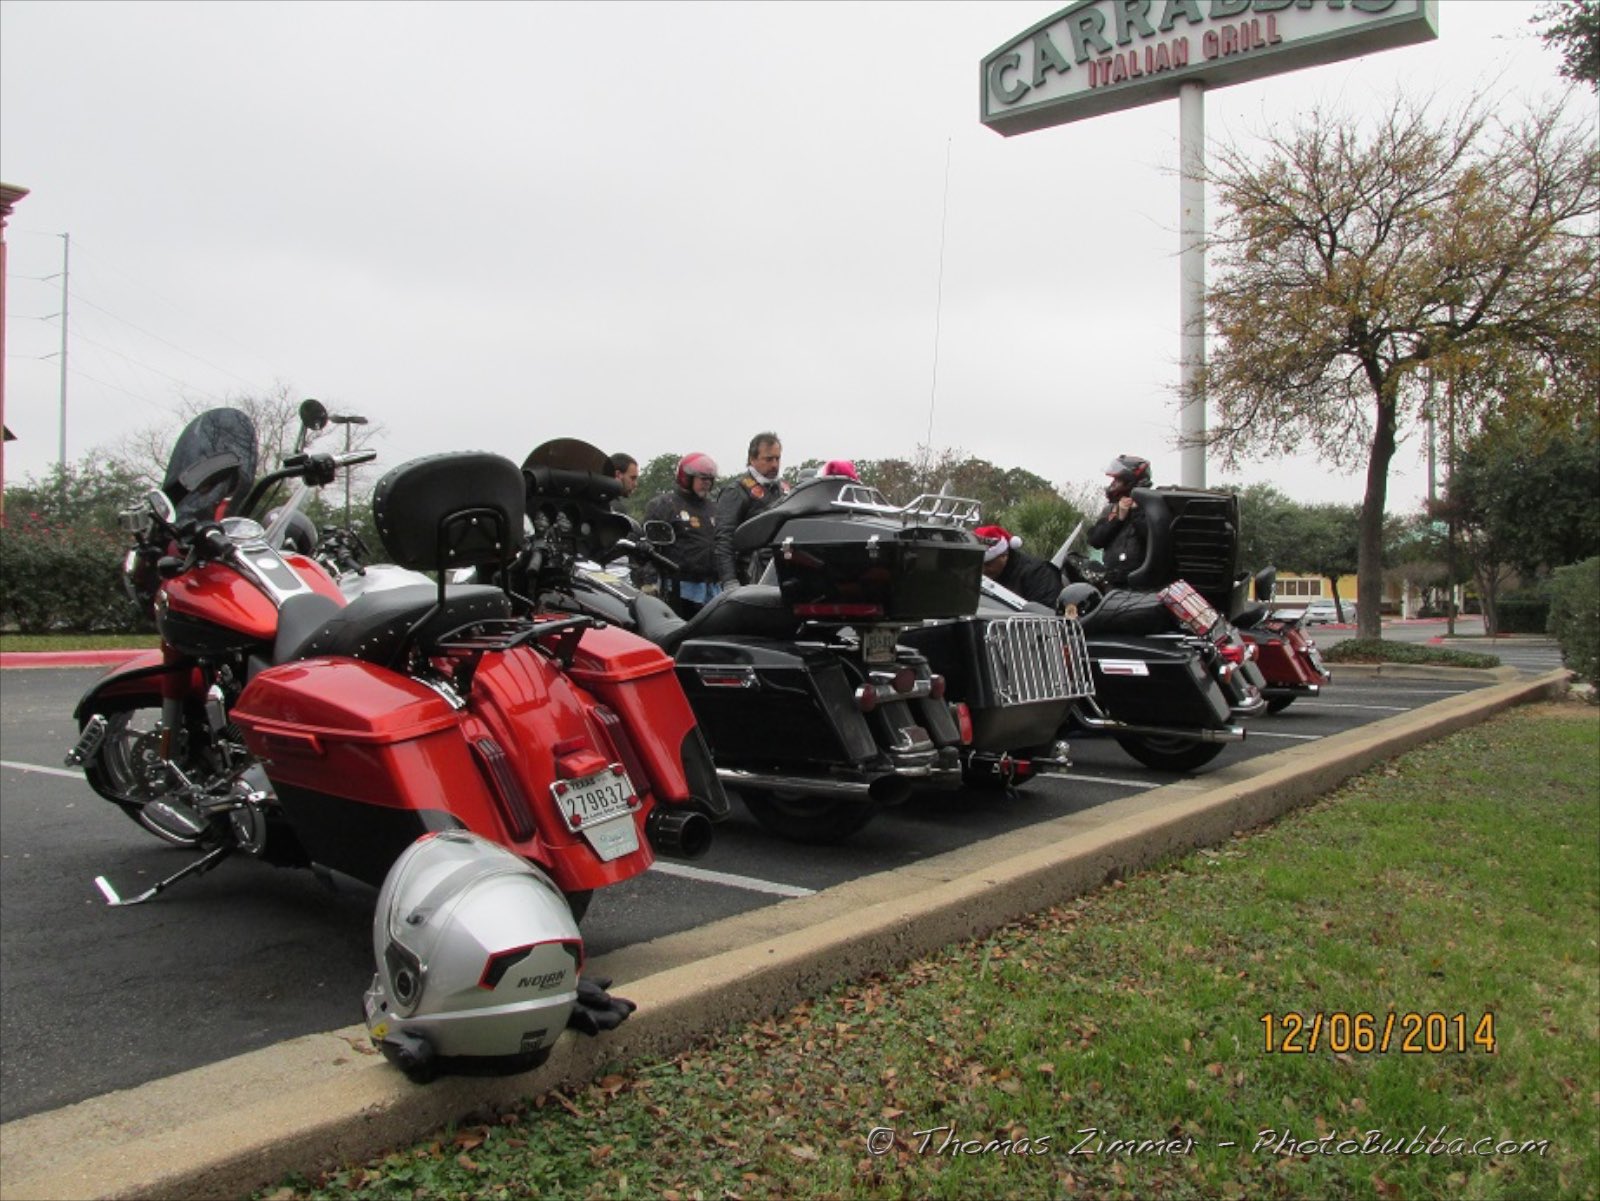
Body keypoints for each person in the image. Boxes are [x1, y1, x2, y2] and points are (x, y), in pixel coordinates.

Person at [643, 453, 722, 618]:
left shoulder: (714, 509)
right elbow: (650, 547)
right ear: (686, 478)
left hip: (712, 589)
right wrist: (649, 581)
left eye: (710, 479)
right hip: (678, 588)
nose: (707, 483)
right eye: (702, 479)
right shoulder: (664, 505)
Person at [714, 431, 790, 588]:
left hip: (780, 572)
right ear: (752, 459)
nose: (774, 464)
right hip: (749, 575)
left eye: (777, 458)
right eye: (768, 459)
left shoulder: (784, 490)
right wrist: (729, 580)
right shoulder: (736, 491)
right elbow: (724, 539)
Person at [1087, 454, 1152, 587]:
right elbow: (1095, 540)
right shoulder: (1111, 509)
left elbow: (1153, 537)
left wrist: (1136, 512)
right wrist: (1118, 519)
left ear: (1130, 481)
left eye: (1118, 480)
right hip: (1112, 582)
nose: (1113, 484)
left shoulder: (1150, 508)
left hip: (1139, 584)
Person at [974, 524, 1063, 608]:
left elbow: (1046, 614)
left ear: (1004, 555)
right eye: (976, 565)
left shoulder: (1039, 574)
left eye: (987, 564)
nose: (982, 570)